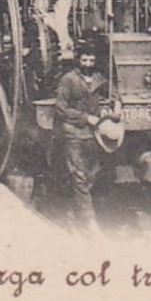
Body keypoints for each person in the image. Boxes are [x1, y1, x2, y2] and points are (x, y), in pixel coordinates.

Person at [52, 42, 116, 231]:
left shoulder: (99, 79)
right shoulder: (68, 79)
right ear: (78, 60)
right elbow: (61, 109)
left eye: (91, 60)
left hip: (93, 135)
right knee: (79, 174)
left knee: (91, 174)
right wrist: (86, 118)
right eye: (84, 60)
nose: (88, 64)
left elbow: (112, 94)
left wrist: (113, 106)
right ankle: (89, 222)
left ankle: (74, 212)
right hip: (73, 132)